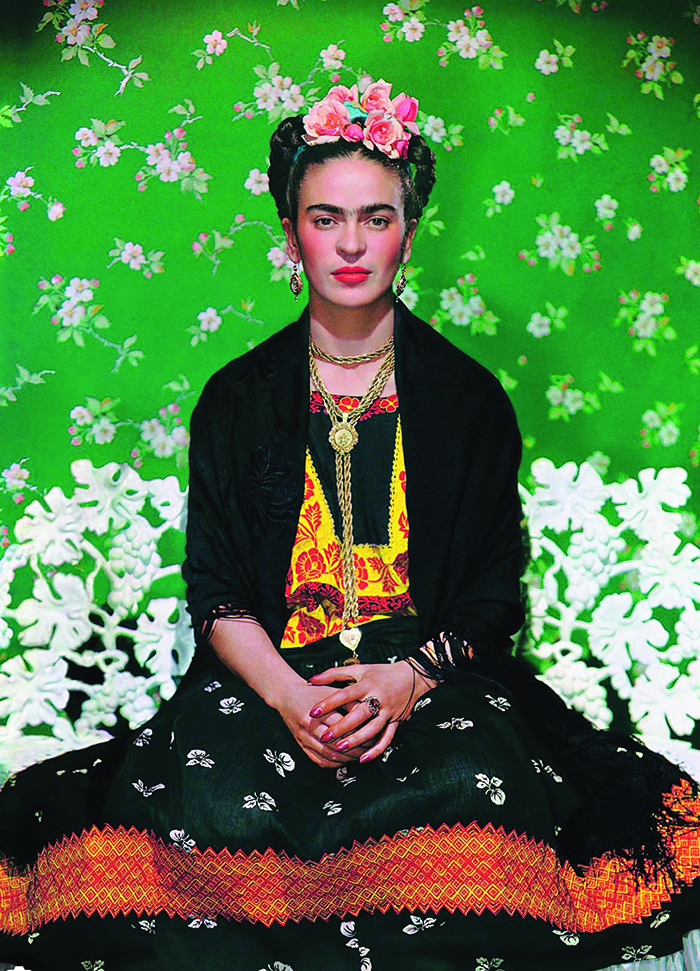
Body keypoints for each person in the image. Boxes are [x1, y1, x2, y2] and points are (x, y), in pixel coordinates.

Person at [2, 78, 700, 971]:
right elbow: (215, 590)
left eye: (377, 218)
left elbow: (492, 599)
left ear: (410, 229)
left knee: (472, 801)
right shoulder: (236, 399)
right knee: (200, 808)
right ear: (290, 231)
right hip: (269, 680)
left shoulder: (468, 400)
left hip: (427, 680)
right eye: (325, 218)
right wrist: (292, 698)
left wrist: (405, 682)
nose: (351, 244)